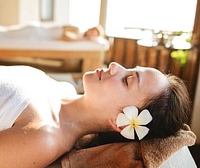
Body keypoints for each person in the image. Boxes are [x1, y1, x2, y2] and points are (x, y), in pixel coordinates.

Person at [0, 62, 191, 167]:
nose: (115, 66)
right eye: (130, 68)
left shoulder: (43, 139)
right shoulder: (63, 89)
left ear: (122, 123)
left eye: (127, 80)